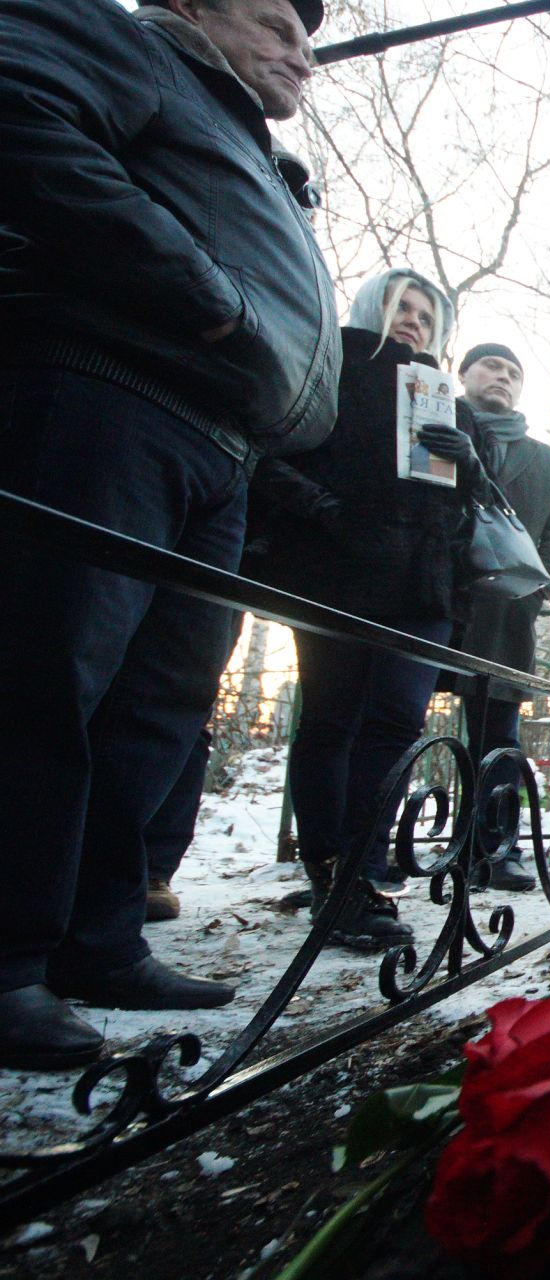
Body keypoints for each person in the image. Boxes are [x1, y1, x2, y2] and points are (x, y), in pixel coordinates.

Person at [0, 0, 335, 1071]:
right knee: (50, 674)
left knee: (157, 708)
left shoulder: (234, 134)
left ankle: (97, 937)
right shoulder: (132, 48)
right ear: (190, 7)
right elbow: (15, 102)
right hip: (109, 393)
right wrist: (205, 297)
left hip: (221, 447)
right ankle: (5, 959)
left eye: (311, 37)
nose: (304, 53)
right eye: (278, 22)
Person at [248, 270, 475, 952]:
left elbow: (459, 507)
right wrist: (330, 514)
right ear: (372, 307)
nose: (413, 322)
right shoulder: (331, 368)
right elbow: (272, 455)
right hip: (337, 575)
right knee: (331, 718)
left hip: (422, 585)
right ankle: (331, 873)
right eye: (401, 307)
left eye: (426, 316)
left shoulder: (440, 395)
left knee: (397, 719)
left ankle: (363, 867)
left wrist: (471, 466)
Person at [452, 342, 550, 891]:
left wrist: (539, 583)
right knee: (395, 721)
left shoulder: (549, 462)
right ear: (464, 374)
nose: (502, 376)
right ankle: (373, 855)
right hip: (430, 597)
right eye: (490, 366)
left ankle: (496, 849)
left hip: (504, 612)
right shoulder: (427, 424)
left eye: (512, 372)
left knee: (497, 734)